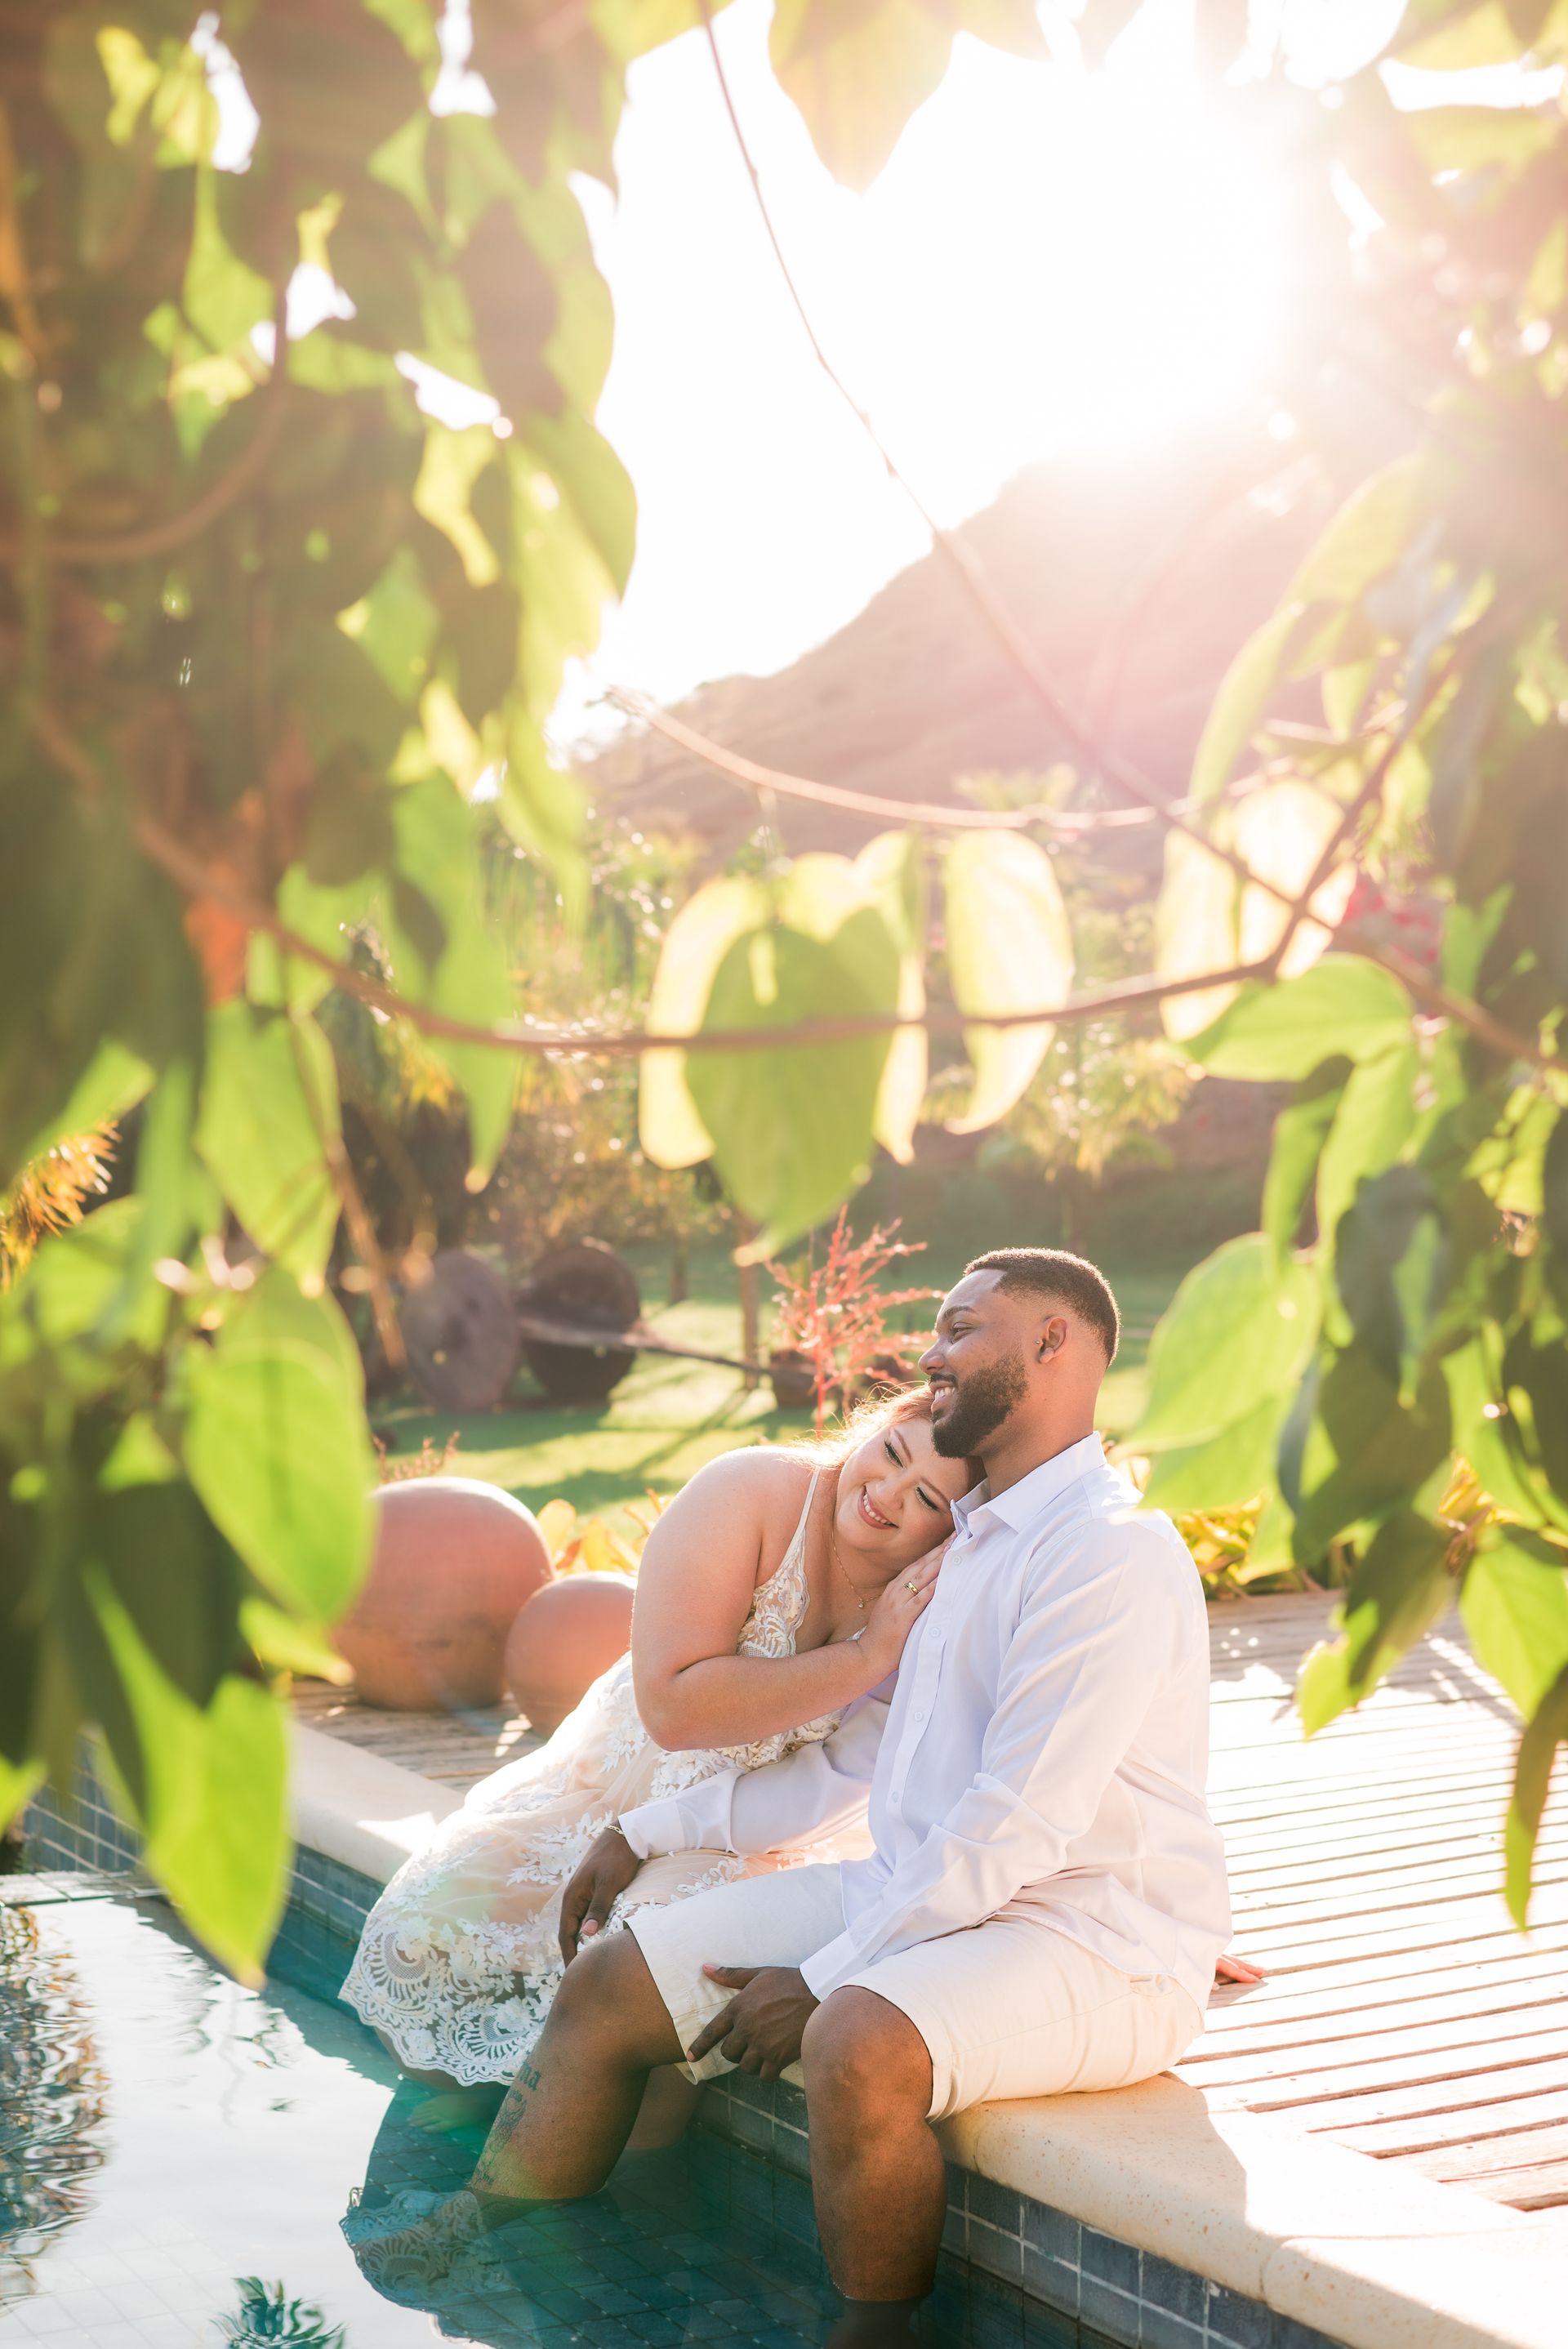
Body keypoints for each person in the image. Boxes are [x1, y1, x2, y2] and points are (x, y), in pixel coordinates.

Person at [345, 1246, 1241, 2345]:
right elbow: (855, 1769)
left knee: (853, 2042)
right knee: (617, 1981)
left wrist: (827, 1974)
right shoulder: (964, 1548)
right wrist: (645, 1827)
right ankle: (500, 2236)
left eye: (963, 1327)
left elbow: (1021, 1827)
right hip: (927, 1892)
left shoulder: (1105, 1553)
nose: (933, 1350)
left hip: (1097, 1939)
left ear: (1054, 1343)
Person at [340, 1385, 978, 2136]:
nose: (888, 1494)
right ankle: (459, 2127)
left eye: (927, 1498)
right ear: (874, 1427)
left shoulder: (928, 1607)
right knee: (434, 1923)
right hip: (617, 1780)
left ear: (948, 1534)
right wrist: (865, 1656)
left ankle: (616, 2211)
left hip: (753, 1833)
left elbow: (835, 1784)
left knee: (648, 1961)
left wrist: (882, 1652)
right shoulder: (751, 1492)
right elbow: (677, 1714)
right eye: (893, 1453)